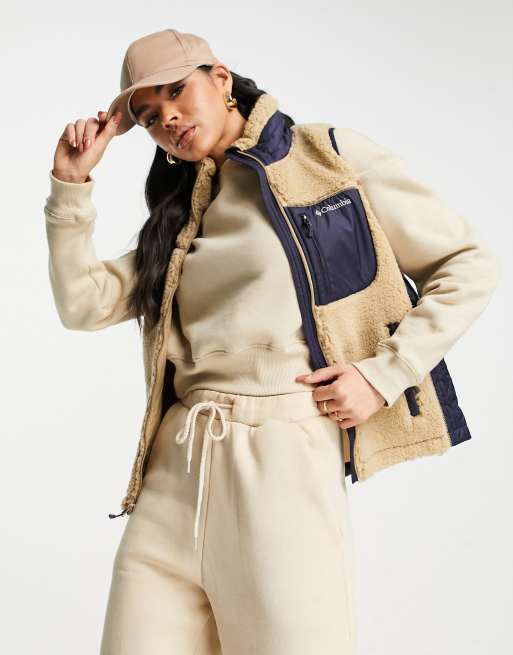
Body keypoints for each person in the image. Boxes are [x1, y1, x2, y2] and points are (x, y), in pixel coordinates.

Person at [44, 28, 499, 655]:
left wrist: (383, 374)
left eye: (176, 91)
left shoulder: (325, 158)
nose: (166, 118)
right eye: (147, 116)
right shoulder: (182, 215)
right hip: (175, 468)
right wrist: (70, 187)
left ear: (221, 79)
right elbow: (83, 304)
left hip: (283, 461)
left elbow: (467, 264)